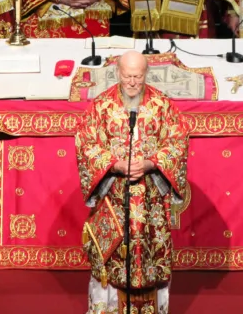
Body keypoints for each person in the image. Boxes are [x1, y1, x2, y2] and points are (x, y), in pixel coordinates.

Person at [75, 51, 189, 313]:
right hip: (114, 198)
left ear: (146, 74)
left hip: (150, 202)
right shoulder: (101, 106)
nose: (132, 82)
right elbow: (86, 144)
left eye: (138, 76)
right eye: (127, 76)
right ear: (117, 72)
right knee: (113, 259)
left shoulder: (162, 105)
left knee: (150, 255)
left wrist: (151, 163)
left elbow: (178, 142)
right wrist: (113, 164)